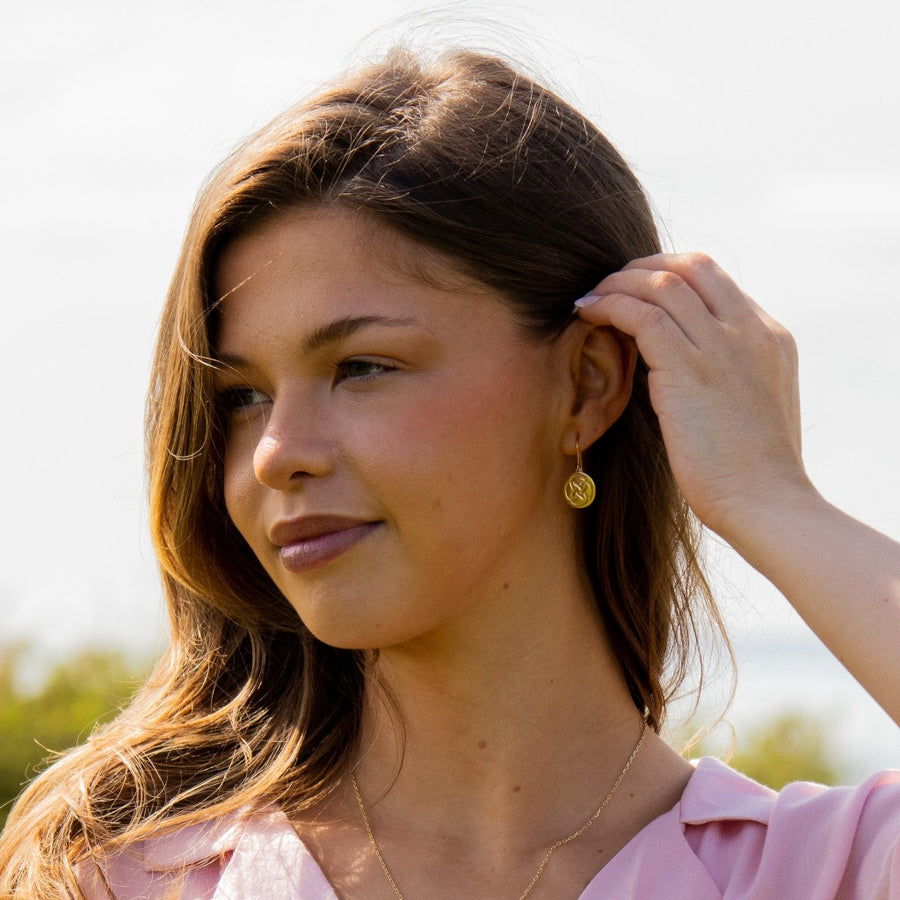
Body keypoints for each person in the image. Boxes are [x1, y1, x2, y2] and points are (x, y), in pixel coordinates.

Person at [0, 46, 898, 900]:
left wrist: (773, 501)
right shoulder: (120, 879)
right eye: (241, 398)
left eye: (362, 368)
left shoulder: (831, 871)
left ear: (587, 384)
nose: (276, 451)